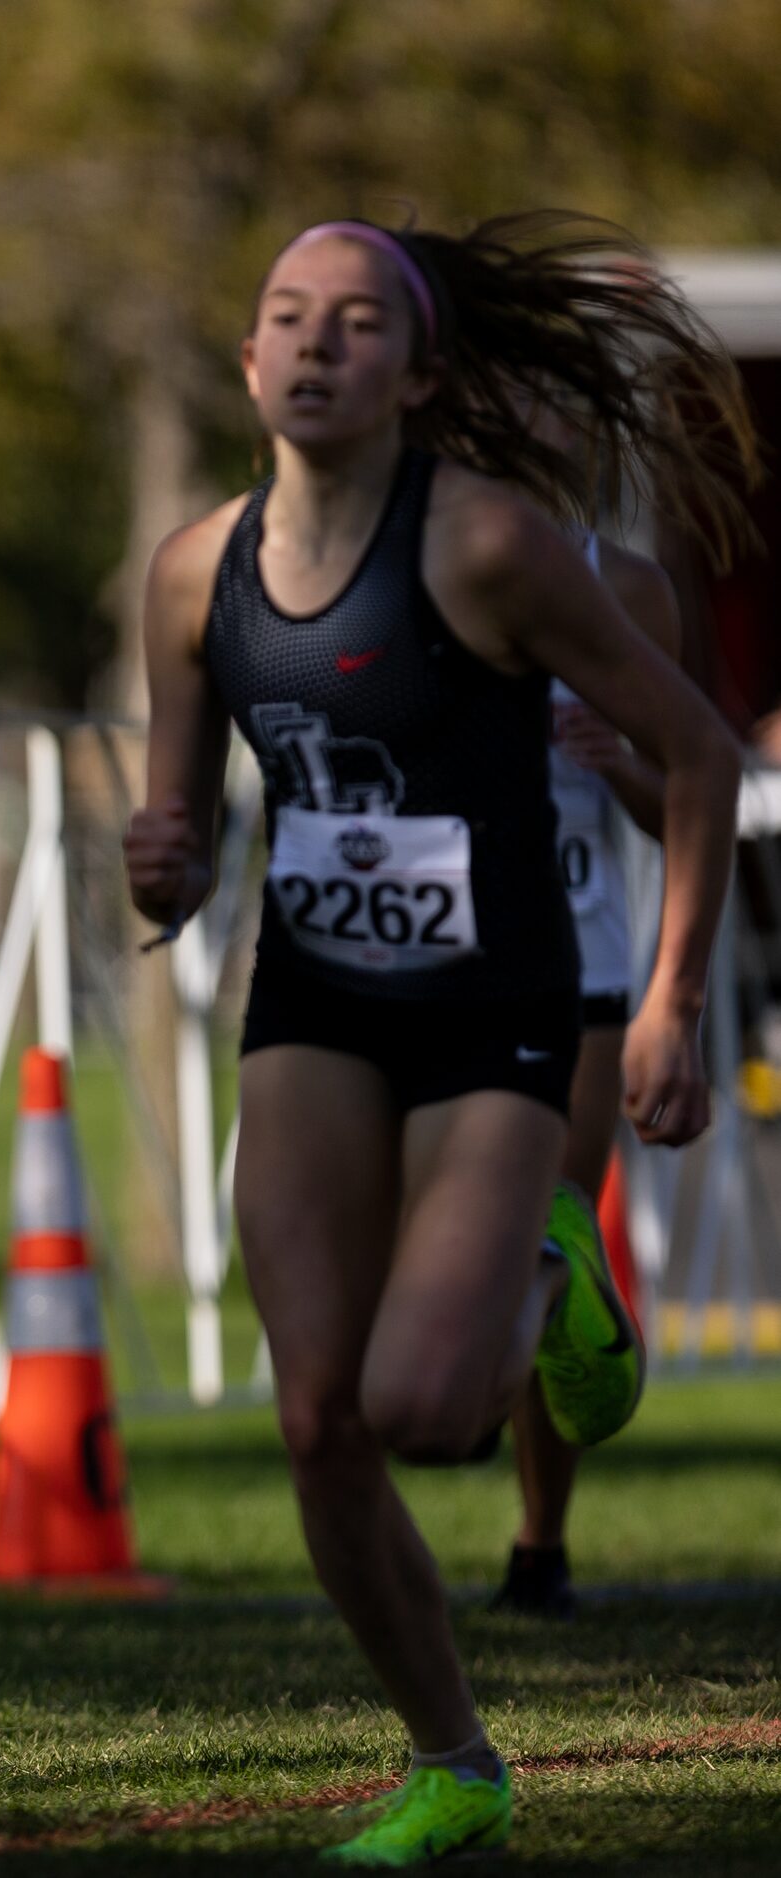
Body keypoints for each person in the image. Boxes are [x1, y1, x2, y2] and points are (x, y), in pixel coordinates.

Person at [124, 215, 752, 1866]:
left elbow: (693, 758)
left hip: (492, 1012)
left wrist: (670, 1003)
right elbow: (174, 808)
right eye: (285, 317)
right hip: (314, 1004)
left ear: (418, 373)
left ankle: (551, 1257)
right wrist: (164, 855)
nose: (315, 344)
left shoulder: (485, 544)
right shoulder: (192, 570)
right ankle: (453, 1758)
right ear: (246, 360)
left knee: (423, 1408)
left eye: (354, 323)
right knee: (319, 1419)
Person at [495, 529, 679, 1620]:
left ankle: (540, 1547)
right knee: (462, 1296)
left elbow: (695, 783)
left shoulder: (628, 589)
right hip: (418, 961)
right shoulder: (378, 557)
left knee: (534, 1251)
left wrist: (620, 759)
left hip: (583, 967)